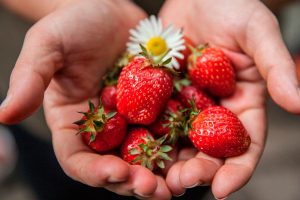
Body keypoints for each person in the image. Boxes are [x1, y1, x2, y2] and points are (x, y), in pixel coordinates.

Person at [0, 0, 299, 199]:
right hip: (62, 95)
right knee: (57, 183)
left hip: (169, 151)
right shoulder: (147, 83)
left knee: (187, 184)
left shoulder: (163, 85)